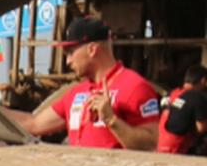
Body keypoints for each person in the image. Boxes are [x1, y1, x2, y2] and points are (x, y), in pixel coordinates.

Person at [8, 16, 159, 150]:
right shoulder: (77, 92)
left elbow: (152, 143)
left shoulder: (134, 87)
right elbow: (34, 123)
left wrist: (111, 120)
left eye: (71, 52)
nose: (68, 61)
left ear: (92, 49)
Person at [157, 63, 207, 155]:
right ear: (203, 81)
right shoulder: (196, 97)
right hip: (177, 148)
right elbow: (201, 128)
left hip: (160, 145)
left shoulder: (172, 93)